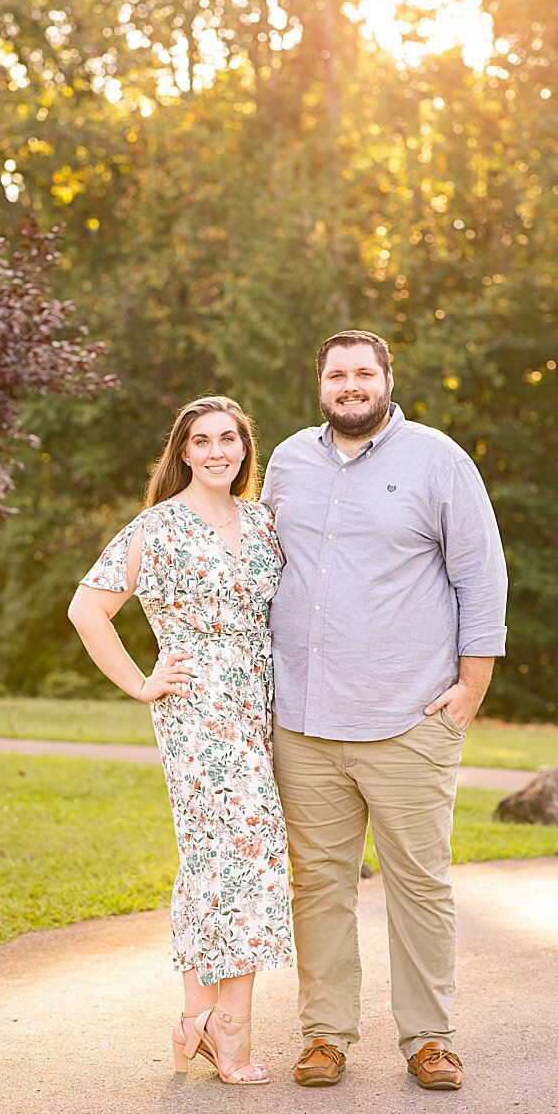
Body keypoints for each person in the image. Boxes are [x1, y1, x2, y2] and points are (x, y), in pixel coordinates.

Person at [262, 330, 507, 1092]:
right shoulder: (287, 462)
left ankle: (429, 1039)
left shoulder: (438, 458)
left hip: (409, 716)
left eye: (364, 372)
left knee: (420, 883)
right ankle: (325, 1036)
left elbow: (480, 575)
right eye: (337, 373)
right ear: (320, 382)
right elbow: (258, 567)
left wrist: (470, 690)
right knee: (319, 884)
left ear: (387, 380)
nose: (350, 384)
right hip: (303, 720)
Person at [68, 395, 293, 1086]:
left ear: (244, 449)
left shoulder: (262, 524)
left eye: (229, 438)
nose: (218, 450)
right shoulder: (157, 528)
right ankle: (231, 1029)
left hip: (257, 705)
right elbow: (87, 609)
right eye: (202, 441)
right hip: (196, 711)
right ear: (183, 452)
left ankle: (195, 1017)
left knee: (212, 861)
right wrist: (142, 682)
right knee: (246, 855)